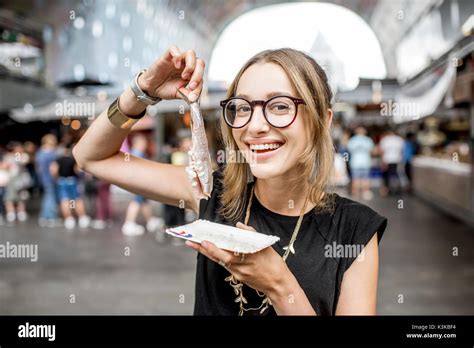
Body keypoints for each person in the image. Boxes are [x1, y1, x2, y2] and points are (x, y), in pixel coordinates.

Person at [73, 46, 387, 315]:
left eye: (279, 106)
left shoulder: (353, 230)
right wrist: (143, 92)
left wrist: (279, 285)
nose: (255, 125)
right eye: (242, 108)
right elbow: (92, 157)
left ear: (324, 119)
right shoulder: (213, 192)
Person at [121, 134, 164, 236]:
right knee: (137, 201)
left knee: (143, 201)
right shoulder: (137, 154)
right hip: (138, 183)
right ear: (138, 143)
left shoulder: (134, 154)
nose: (144, 144)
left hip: (139, 182)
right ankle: (128, 223)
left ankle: (150, 221)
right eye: (143, 142)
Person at [50, 144, 90, 229]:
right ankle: (82, 218)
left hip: (62, 181)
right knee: (76, 200)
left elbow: (53, 170)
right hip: (72, 181)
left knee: (65, 200)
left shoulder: (58, 160)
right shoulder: (73, 160)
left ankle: (69, 219)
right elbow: (78, 170)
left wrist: (57, 178)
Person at [3, 142, 31, 223]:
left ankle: (21, 212)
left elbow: (21, 162)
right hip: (11, 180)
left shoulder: (22, 156)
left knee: (21, 197)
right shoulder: (8, 156)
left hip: (21, 180)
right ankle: (11, 213)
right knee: (9, 197)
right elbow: (5, 166)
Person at [35, 134, 59, 227]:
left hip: (43, 178)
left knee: (47, 197)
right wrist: (56, 177)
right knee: (51, 197)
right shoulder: (51, 153)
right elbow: (53, 168)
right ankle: (51, 217)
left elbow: (38, 168)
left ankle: (44, 217)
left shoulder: (40, 152)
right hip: (50, 178)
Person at [347, 127, 374, 200]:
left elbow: (349, 150)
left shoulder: (352, 140)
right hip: (366, 162)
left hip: (355, 162)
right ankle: (365, 192)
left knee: (355, 178)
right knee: (365, 178)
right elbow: (372, 151)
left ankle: (355, 193)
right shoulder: (368, 140)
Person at [379, 129, 404, 196]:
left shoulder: (385, 139)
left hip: (387, 160)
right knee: (395, 175)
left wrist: (382, 161)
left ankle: (387, 190)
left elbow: (382, 151)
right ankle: (397, 189)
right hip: (397, 160)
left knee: (386, 176)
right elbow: (402, 150)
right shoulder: (399, 140)